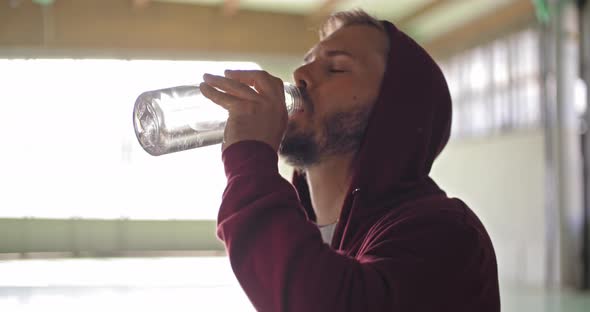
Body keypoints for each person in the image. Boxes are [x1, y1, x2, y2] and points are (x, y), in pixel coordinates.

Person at [199, 9, 500, 312]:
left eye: (336, 68)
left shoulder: (447, 234)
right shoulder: (303, 233)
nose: (300, 75)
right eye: (307, 62)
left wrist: (249, 158)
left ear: (393, 109)